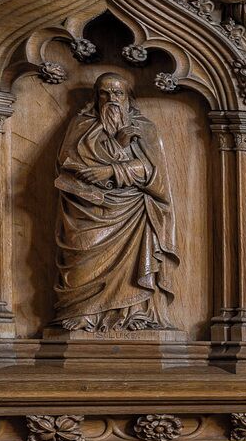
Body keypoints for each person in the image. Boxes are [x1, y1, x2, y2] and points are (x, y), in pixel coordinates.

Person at [51, 73, 177, 332]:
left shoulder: (145, 129)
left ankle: (133, 314)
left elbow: (155, 174)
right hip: (87, 212)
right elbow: (67, 164)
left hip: (132, 212)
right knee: (81, 265)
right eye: (104, 93)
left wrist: (110, 170)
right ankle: (84, 313)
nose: (112, 99)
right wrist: (115, 154)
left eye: (118, 93)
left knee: (133, 269)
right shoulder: (80, 126)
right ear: (95, 98)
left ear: (128, 99)